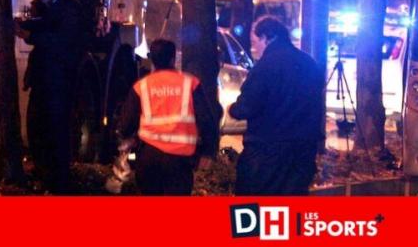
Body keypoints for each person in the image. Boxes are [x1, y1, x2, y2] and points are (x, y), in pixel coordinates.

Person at [228, 16, 324, 196]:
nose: (255, 48)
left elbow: (248, 106)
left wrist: (233, 109)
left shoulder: (266, 66)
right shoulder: (309, 64)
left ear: (266, 37)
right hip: (303, 150)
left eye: (255, 42)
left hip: (268, 151)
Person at [117, 39, 222, 195]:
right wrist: (209, 151)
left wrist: (128, 138)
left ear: (152, 59)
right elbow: (207, 120)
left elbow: (125, 124)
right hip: (179, 161)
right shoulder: (190, 83)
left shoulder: (142, 86)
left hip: (148, 158)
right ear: (173, 59)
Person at [14, 0, 84, 193]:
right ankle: (44, 173)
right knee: (36, 126)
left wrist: (30, 35)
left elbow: (61, 39)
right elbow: (43, 25)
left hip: (59, 81)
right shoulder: (46, 6)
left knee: (56, 130)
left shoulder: (70, 9)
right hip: (44, 80)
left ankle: (58, 181)